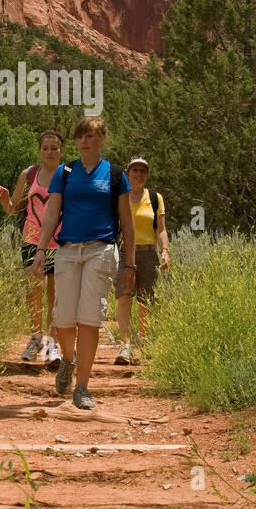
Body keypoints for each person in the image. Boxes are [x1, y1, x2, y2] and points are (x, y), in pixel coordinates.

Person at [30, 116, 136, 410]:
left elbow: (127, 221)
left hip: (99, 251)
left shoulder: (115, 174)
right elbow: (52, 214)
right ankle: (68, 359)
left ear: (102, 138)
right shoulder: (64, 173)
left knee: (89, 318)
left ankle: (83, 387)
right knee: (63, 318)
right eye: (79, 137)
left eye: (89, 136)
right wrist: (41, 249)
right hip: (66, 250)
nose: (83, 142)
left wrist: (130, 263)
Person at [0, 130, 64, 366]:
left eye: (54, 148)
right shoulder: (29, 174)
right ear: (39, 150)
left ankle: (53, 344)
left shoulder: (67, 175)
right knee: (33, 291)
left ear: (61, 151)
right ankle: (35, 338)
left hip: (59, 241)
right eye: (45, 148)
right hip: (31, 240)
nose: (50, 152)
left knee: (56, 295)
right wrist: (5, 199)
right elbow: (13, 208)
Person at [114, 156, 169, 366]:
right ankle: (125, 345)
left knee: (146, 301)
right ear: (128, 173)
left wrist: (164, 250)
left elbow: (160, 229)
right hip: (125, 251)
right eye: (135, 170)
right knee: (124, 297)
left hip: (148, 253)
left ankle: (143, 340)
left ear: (147, 175)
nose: (138, 174)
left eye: (142, 171)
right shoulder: (121, 197)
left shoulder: (155, 198)